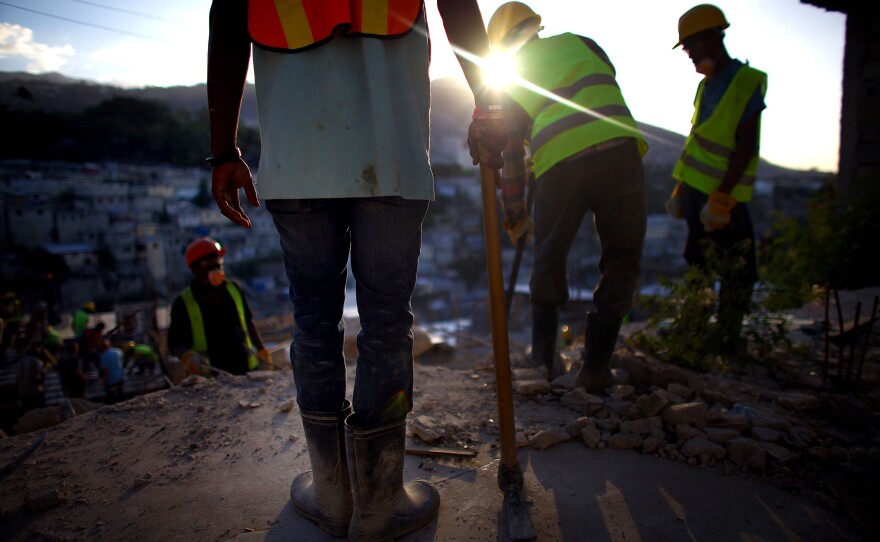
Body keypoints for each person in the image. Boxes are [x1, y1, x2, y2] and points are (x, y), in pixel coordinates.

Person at [206, 1, 503, 539]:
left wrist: (223, 149)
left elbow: (228, 18)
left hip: (296, 159)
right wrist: (488, 98)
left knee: (315, 319)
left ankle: (333, 493)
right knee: (387, 320)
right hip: (392, 153)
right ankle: (381, 500)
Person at [486, 2, 648, 391]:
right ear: (536, 27)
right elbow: (598, 90)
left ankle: (543, 361)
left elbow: (509, 156)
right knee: (621, 259)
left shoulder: (508, 79)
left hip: (561, 164)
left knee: (549, 257)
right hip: (621, 152)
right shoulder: (583, 44)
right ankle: (595, 369)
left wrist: (516, 213)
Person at [665, 4, 766, 356]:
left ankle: (726, 338)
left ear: (713, 36)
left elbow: (745, 145)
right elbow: (697, 140)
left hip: (724, 198)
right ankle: (694, 334)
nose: (689, 54)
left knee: (739, 268)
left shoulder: (746, 81)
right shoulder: (705, 86)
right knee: (699, 263)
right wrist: (680, 188)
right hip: (696, 192)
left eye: (691, 45)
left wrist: (721, 197)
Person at [167, 237, 268, 377]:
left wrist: (261, 349)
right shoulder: (183, 303)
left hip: (244, 370)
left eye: (218, 264)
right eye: (210, 265)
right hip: (210, 376)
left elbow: (248, 323)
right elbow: (175, 344)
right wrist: (187, 356)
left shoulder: (232, 289)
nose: (217, 269)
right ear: (195, 268)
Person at [17, 345, 46, 412]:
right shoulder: (36, 361)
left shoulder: (19, 363)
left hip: (23, 394)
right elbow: (42, 374)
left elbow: (17, 380)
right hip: (34, 393)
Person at [98, 339, 125, 404]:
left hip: (111, 380)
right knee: (120, 392)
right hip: (120, 377)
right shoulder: (118, 351)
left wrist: (104, 381)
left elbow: (106, 370)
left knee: (111, 396)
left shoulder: (104, 356)